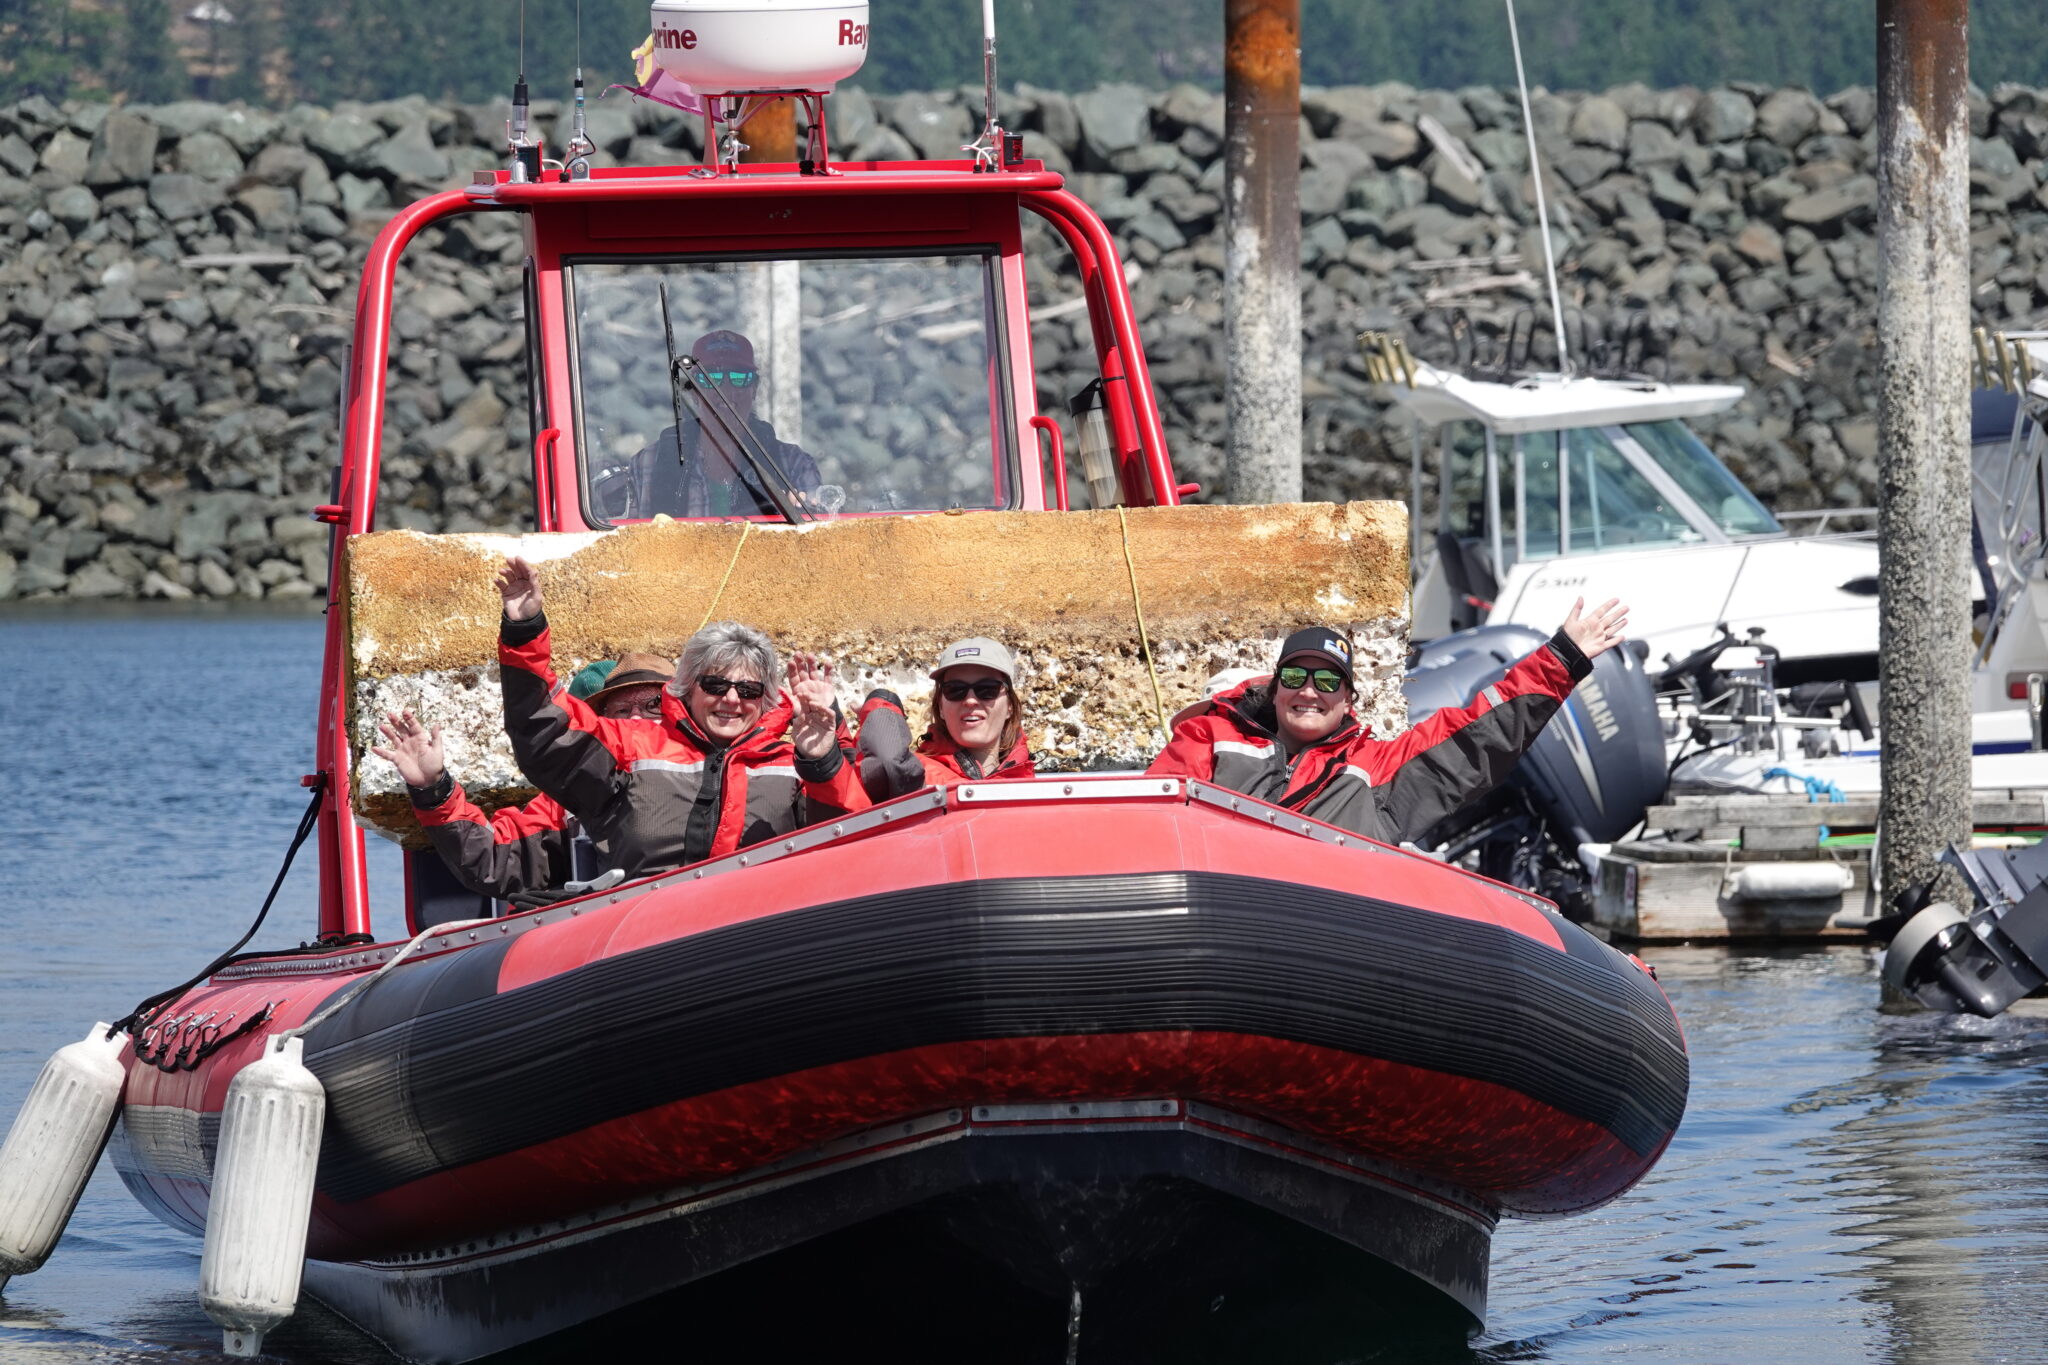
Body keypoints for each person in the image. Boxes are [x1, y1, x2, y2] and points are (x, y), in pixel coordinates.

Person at [493, 555, 868, 876]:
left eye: (749, 690)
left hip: (760, 935)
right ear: (688, 688)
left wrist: (822, 760)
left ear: (765, 699)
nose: (733, 699)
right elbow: (545, 728)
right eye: (716, 686)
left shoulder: (792, 764)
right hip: (651, 936)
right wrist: (525, 631)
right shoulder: (633, 746)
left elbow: (852, 847)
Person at [1148, 598, 1630, 846]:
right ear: (1275, 688)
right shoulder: (1210, 735)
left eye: (1328, 680)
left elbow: (1475, 737)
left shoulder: (1375, 771)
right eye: (1295, 675)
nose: (1310, 690)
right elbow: (1153, 816)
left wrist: (1561, 659)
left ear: (1349, 698)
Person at [371, 653, 675, 902]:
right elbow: (494, 860)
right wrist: (433, 787)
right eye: (621, 710)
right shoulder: (566, 806)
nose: (636, 718)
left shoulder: (716, 769)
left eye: (653, 706)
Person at [601, 329, 823, 520]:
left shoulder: (794, 466)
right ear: (694, 392)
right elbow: (630, 546)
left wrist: (805, 510)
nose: (725, 390)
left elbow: (822, 538)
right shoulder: (649, 464)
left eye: (739, 377)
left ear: (754, 388)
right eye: (711, 378)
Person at [855, 637, 1035, 799]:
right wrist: (881, 714)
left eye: (987, 689)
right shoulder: (915, 777)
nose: (970, 700)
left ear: (1010, 707)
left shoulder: (1036, 790)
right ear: (940, 707)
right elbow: (850, 797)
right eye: (955, 690)